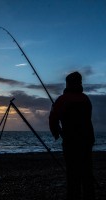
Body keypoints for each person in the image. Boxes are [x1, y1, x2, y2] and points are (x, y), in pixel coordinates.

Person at [49, 71, 95, 200]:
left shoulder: (63, 99)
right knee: (87, 174)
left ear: (68, 84)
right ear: (79, 83)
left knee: (73, 175)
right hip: (87, 140)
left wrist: (57, 134)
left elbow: (53, 119)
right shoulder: (86, 99)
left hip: (71, 143)